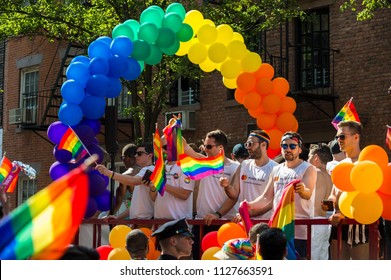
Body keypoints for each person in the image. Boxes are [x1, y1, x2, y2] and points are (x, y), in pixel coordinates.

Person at [245, 131, 317, 259]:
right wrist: (248, 205)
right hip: (278, 230)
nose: (288, 149)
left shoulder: (308, 168)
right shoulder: (276, 169)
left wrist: (302, 190)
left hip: (299, 231)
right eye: (284, 146)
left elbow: (308, 194)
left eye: (292, 146)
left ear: (300, 149)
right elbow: (266, 197)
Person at [184, 129, 239, 259]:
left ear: (220, 148)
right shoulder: (204, 163)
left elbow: (234, 197)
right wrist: (175, 127)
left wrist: (217, 214)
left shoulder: (235, 167)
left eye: (209, 146)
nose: (205, 150)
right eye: (204, 146)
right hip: (202, 222)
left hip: (224, 225)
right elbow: (185, 147)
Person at [327, 121, 369, 260]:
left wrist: (343, 213)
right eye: (337, 137)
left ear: (356, 137)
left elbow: (366, 196)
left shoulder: (366, 162)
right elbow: (334, 194)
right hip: (338, 223)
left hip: (358, 223)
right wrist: (329, 203)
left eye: (342, 136)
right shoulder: (340, 165)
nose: (338, 140)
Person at [220, 130, 277, 221]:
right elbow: (234, 194)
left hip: (264, 224)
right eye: (246, 144)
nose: (248, 148)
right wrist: (226, 186)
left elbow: (272, 202)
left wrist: (250, 214)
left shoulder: (275, 168)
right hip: (243, 221)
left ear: (263, 145)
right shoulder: (244, 165)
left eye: (251, 144)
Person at [96, 143, 155, 227]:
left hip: (145, 223)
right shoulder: (143, 171)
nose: (136, 156)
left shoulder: (151, 170)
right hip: (138, 223)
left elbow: (132, 181)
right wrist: (118, 217)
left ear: (150, 156)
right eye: (135, 153)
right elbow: (135, 205)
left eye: (139, 154)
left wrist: (109, 173)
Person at [307, 143, 333, 260]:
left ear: (316, 157)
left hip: (314, 222)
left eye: (309, 156)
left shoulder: (315, 173)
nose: (307, 160)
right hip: (325, 222)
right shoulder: (330, 176)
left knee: (312, 259)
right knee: (323, 258)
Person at [112, 143, 141, 215]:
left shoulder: (126, 176)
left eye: (122, 157)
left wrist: (111, 215)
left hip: (136, 216)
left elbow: (119, 199)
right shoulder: (149, 170)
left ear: (128, 157)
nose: (123, 161)